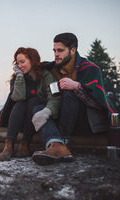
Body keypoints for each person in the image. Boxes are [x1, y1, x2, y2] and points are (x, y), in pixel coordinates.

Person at [32, 32, 116, 165]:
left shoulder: (90, 69)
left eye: (60, 50)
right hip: (61, 118)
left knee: (69, 92)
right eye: (54, 50)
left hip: (87, 123)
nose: (56, 54)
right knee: (38, 108)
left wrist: (77, 86)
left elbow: (98, 104)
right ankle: (56, 145)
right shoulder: (52, 67)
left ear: (73, 50)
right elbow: (32, 67)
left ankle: (63, 141)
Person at [0, 47, 61, 161]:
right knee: (21, 103)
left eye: (23, 62)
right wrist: (20, 77)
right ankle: (9, 144)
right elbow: (17, 97)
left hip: (37, 118)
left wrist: (47, 112)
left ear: (32, 60)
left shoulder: (46, 76)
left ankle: (25, 143)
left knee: (33, 100)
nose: (20, 65)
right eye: (18, 63)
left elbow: (54, 97)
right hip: (16, 117)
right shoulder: (17, 77)